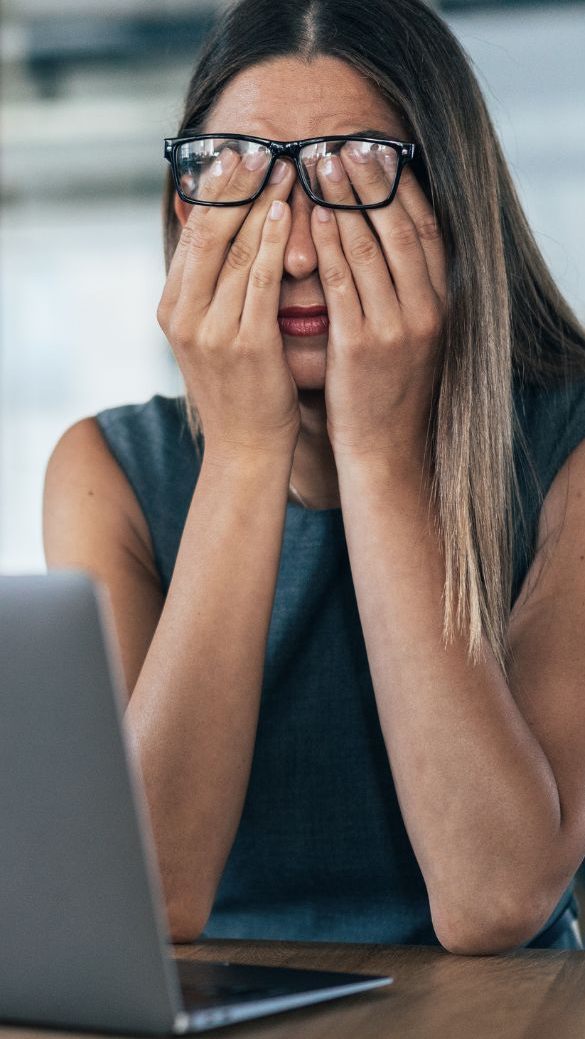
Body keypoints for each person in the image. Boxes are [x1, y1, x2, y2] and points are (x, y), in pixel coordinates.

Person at [43, 0, 585, 954]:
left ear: (448, 208)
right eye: (243, 184)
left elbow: (496, 896)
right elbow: (142, 901)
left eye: (354, 177)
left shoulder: (568, 451)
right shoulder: (108, 474)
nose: (295, 252)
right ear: (187, 208)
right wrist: (247, 454)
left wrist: (375, 451)